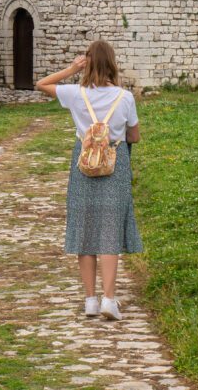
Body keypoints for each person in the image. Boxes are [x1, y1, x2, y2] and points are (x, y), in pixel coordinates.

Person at [35, 40, 143, 321]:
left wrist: (72, 68)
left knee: (84, 230)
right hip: (114, 165)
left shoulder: (75, 94)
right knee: (109, 231)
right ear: (112, 64)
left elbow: (41, 83)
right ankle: (109, 299)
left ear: (89, 63)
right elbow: (134, 136)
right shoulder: (125, 97)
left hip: (83, 165)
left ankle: (90, 301)